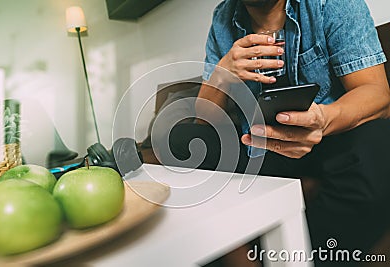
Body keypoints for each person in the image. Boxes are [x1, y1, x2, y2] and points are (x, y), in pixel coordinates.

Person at [166, 0, 390, 266]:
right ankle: (241, 253)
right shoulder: (223, 18)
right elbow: (204, 121)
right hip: (258, 148)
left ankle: (298, 254)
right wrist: (222, 74)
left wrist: (323, 120)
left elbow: (377, 94)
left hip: (328, 142)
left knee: (379, 141)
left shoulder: (331, 4)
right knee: (180, 139)